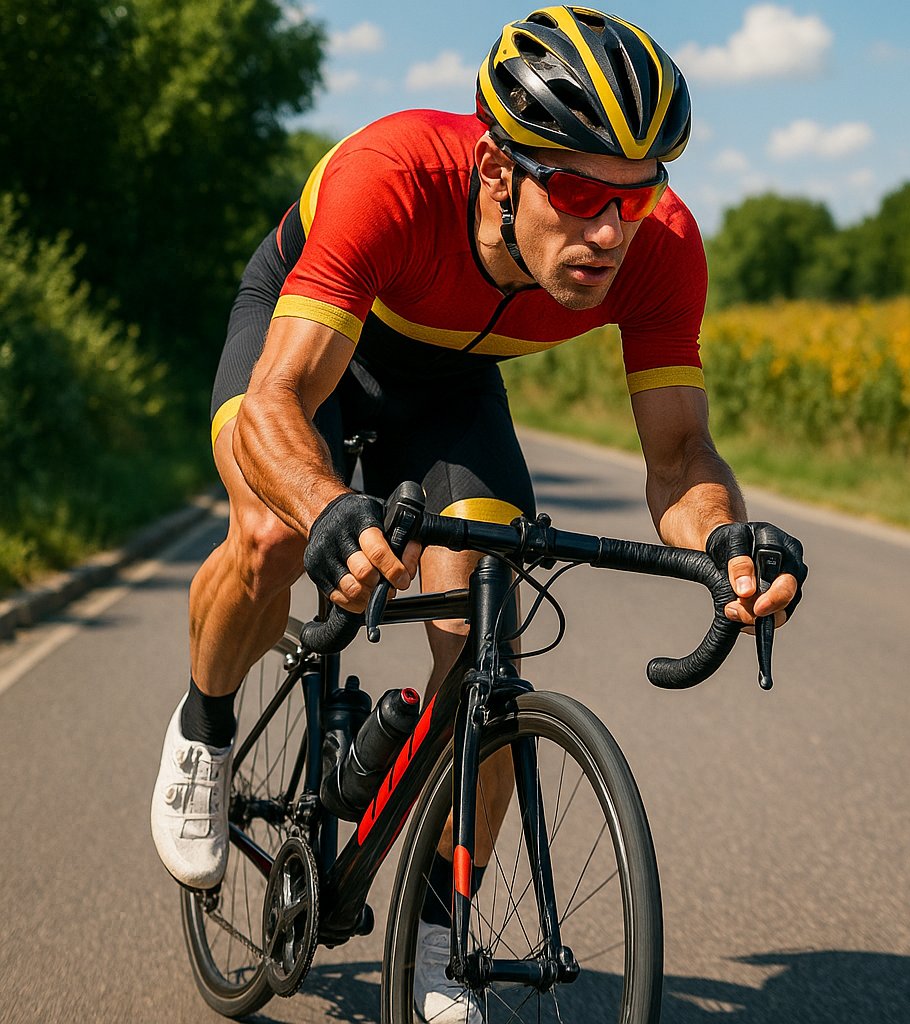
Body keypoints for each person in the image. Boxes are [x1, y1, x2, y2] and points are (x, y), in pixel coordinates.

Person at [151, 6, 807, 1020]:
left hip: (456, 386)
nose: (607, 231)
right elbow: (276, 407)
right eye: (580, 190)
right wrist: (328, 505)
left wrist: (724, 540)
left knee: (483, 635)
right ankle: (204, 728)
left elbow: (679, 458)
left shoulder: (658, 248)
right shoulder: (395, 177)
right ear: (499, 169)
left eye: (636, 198)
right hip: (313, 341)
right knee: (275, 531)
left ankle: (436, 927)